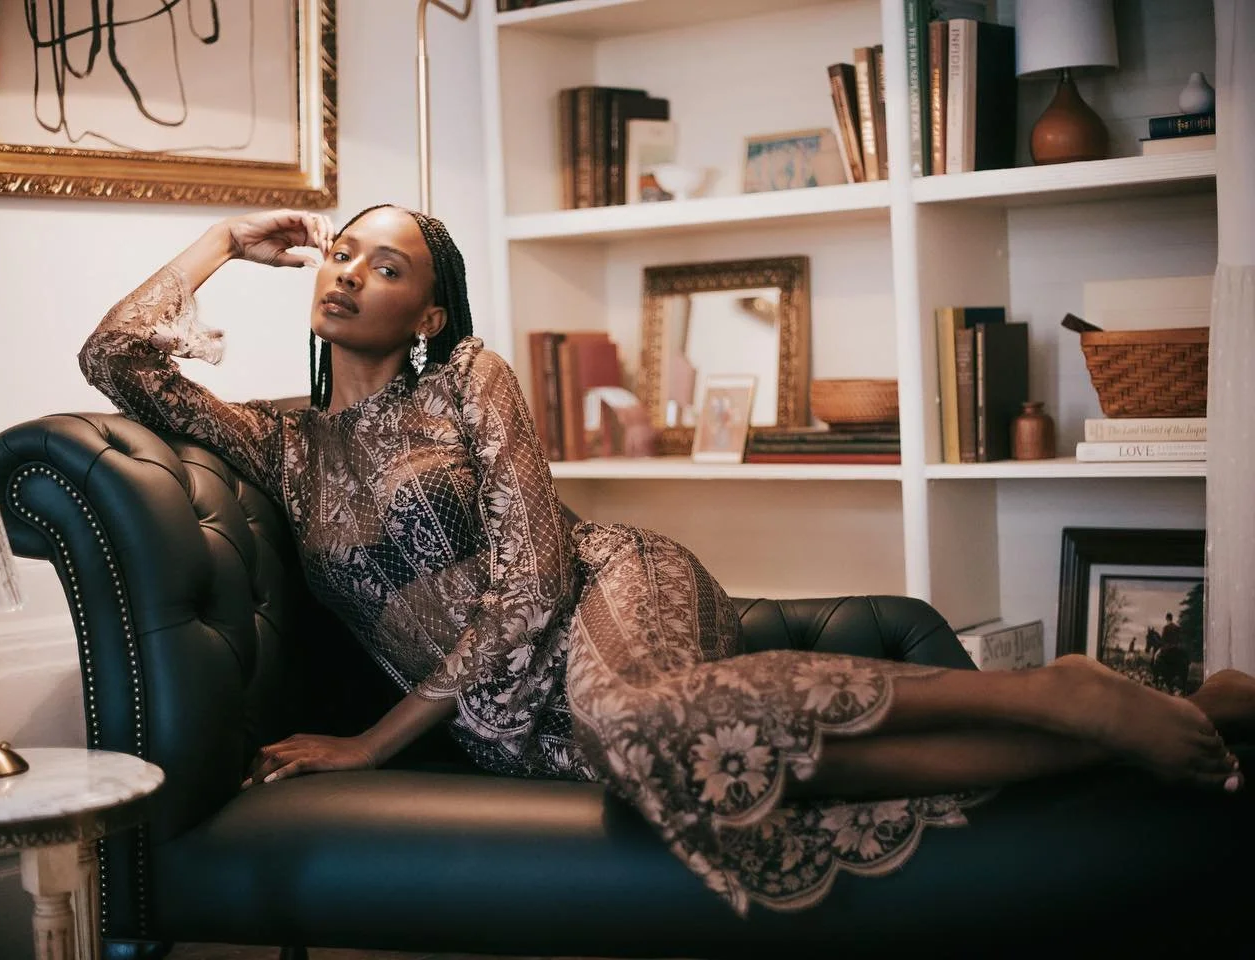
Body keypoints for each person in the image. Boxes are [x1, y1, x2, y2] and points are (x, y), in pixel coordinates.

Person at [79, 206, 1253, 916]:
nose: (346, 271)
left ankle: (1048, 690)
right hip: (508, 722)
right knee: (664, 767)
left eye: (385, 265)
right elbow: (117, 356)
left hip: (600, 592)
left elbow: (536, 581)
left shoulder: (470, 382)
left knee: (637, 723)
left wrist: (371, 745)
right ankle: (1112, 722)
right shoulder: (281, 448)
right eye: (340, 252)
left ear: (429, 312)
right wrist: (222, 241)